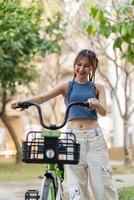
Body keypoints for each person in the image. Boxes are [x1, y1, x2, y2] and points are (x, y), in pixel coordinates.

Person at [11, 49, 118, 200]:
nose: (81, 69)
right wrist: (23, 102)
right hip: (73, 139)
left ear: (92, 68)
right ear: (75, 65)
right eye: (79, 64)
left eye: (87, 66)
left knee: (103, 187)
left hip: (95, 140)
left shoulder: (97, 87)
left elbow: (104, 111)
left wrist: (96, 105)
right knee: (77, 190)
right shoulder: (67, 86)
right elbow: (42, 98)